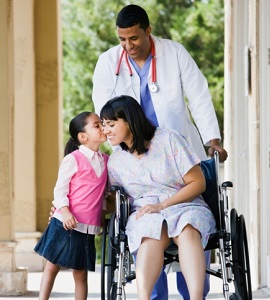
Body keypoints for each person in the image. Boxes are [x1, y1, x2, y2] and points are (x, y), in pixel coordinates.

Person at [92, 4, 227, 299]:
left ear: (148, 31)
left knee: (190, 227)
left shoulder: (174, 53)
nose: (128, 46)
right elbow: (105, 112)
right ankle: (154, 296)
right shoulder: (108, 62)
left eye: (134, 39)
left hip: (175, 155)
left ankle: (193, 291)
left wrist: (212, 140)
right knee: (149, 231)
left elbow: (199, 95)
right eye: (122, 40)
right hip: (136, 163)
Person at [100, 95, 217, 300]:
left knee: (188, 229)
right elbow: (118, 202)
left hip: (186, 204)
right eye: (103, 125)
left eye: (111, 124)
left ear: (129, 120)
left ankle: (197, 298)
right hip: (145, 212)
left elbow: (198, 183)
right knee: (150, 233)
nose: (106, 130)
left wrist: (163, 205)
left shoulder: (168, 139)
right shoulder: (116, 161)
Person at [34, 112, 108, 300]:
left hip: (87, 226)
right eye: (97, 125)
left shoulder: (107, 161)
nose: (102, 127)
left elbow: (104, 195)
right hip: (65, 221)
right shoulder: (73, 159)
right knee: (52, 266)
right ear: (83, 137)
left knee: (81, 273)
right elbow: (60, 190)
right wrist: (65, 212)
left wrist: (101, 217)